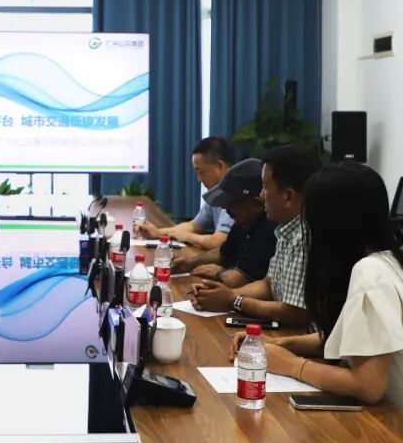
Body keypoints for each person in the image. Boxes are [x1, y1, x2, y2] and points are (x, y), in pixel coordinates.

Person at [228, 163, 403, 443]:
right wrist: (284, 345)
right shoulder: (383, 260)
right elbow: (357, 340)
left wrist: (292, 365)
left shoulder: (370, 273)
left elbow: (368, 386)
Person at [188, 145, 319, 327]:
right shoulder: (285, 229)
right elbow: (268, 285)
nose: (262, 195)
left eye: (265, 187)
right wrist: (223, 295)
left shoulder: (305, 236)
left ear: (288, 196)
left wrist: (233, 300)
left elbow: (296, 313)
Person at [180, 158, 276, 288]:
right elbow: (223, 253)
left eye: (232, 203)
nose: (226, 209)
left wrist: (220, 273)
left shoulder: (269, 230)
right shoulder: (244, 222)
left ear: (256, 204)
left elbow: (239, 280)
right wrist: (190, 263)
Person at [137, 137, 234, 257]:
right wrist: (158, 233)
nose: (199, 179)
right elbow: (193, 225)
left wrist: (188, 237)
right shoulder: (216, 192)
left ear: (219, 166)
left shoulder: (234, 192)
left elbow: (220, 241)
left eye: (201, 172)